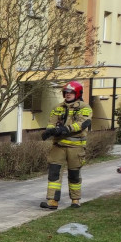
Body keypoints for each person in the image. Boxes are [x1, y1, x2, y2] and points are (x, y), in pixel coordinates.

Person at [39, 80, 92, 210]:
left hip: (76, 147)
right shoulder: (57, 108)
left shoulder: (84, 107)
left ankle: (75, 200)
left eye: (71, 92)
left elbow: (81, 124)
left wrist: (64, 129)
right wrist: (49, 131)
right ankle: (52, 201)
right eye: (66, 92)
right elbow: (52, 122)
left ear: (77, 93)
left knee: (74, 174)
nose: (67, 95)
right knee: (54, 173)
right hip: (58, 146)